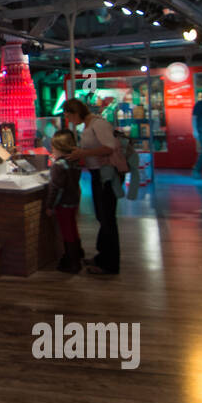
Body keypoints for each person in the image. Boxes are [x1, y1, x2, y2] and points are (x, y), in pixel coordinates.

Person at [63, 97, 120, 276]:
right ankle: (102, 257)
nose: (69, 120)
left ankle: (110, 264)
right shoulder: (89, 125)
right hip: (98, 174)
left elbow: (109, 147)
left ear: (75, 112)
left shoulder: (98, 124)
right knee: (102, 217)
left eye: (68, 116)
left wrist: (84, 153)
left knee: (107, 218)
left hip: (106, 175)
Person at [44, 129, 82, 272]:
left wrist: (50, 206)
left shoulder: (58, 166)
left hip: (63, 204)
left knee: (67, 231)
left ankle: (72, 262)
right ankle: (77, 255)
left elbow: (56, 188)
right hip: (73, 201)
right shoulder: (74, 163)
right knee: (73, 228)